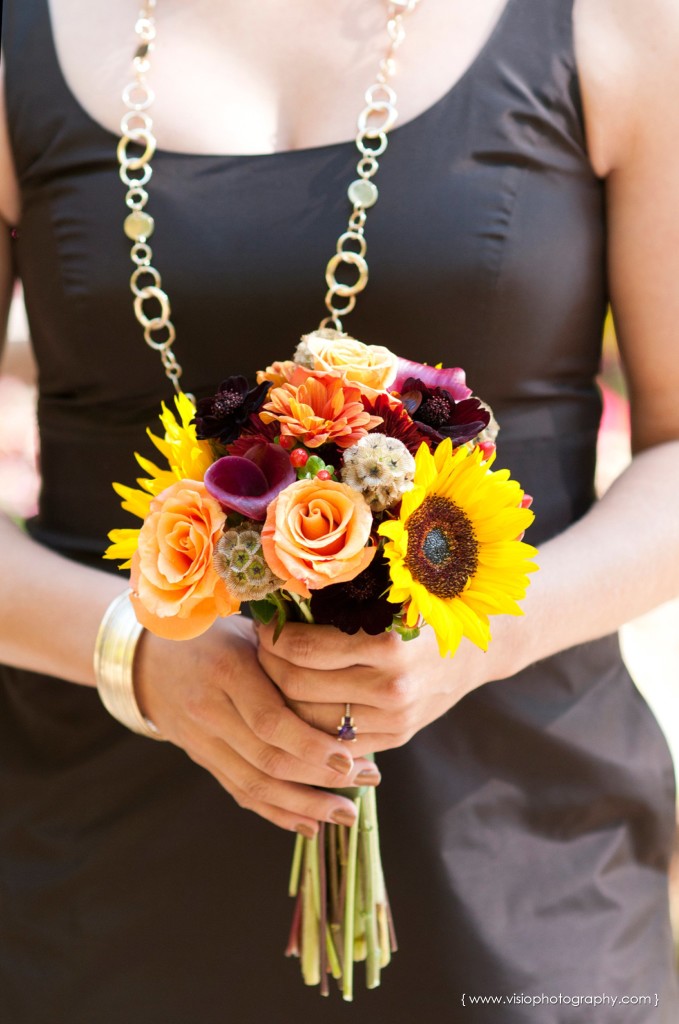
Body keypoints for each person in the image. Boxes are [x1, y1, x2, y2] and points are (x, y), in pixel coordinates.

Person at [1, 0, 678, 1020]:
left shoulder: (619, 21)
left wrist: (485, 637)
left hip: (519, 871)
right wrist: (133, 651)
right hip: (98, 881)